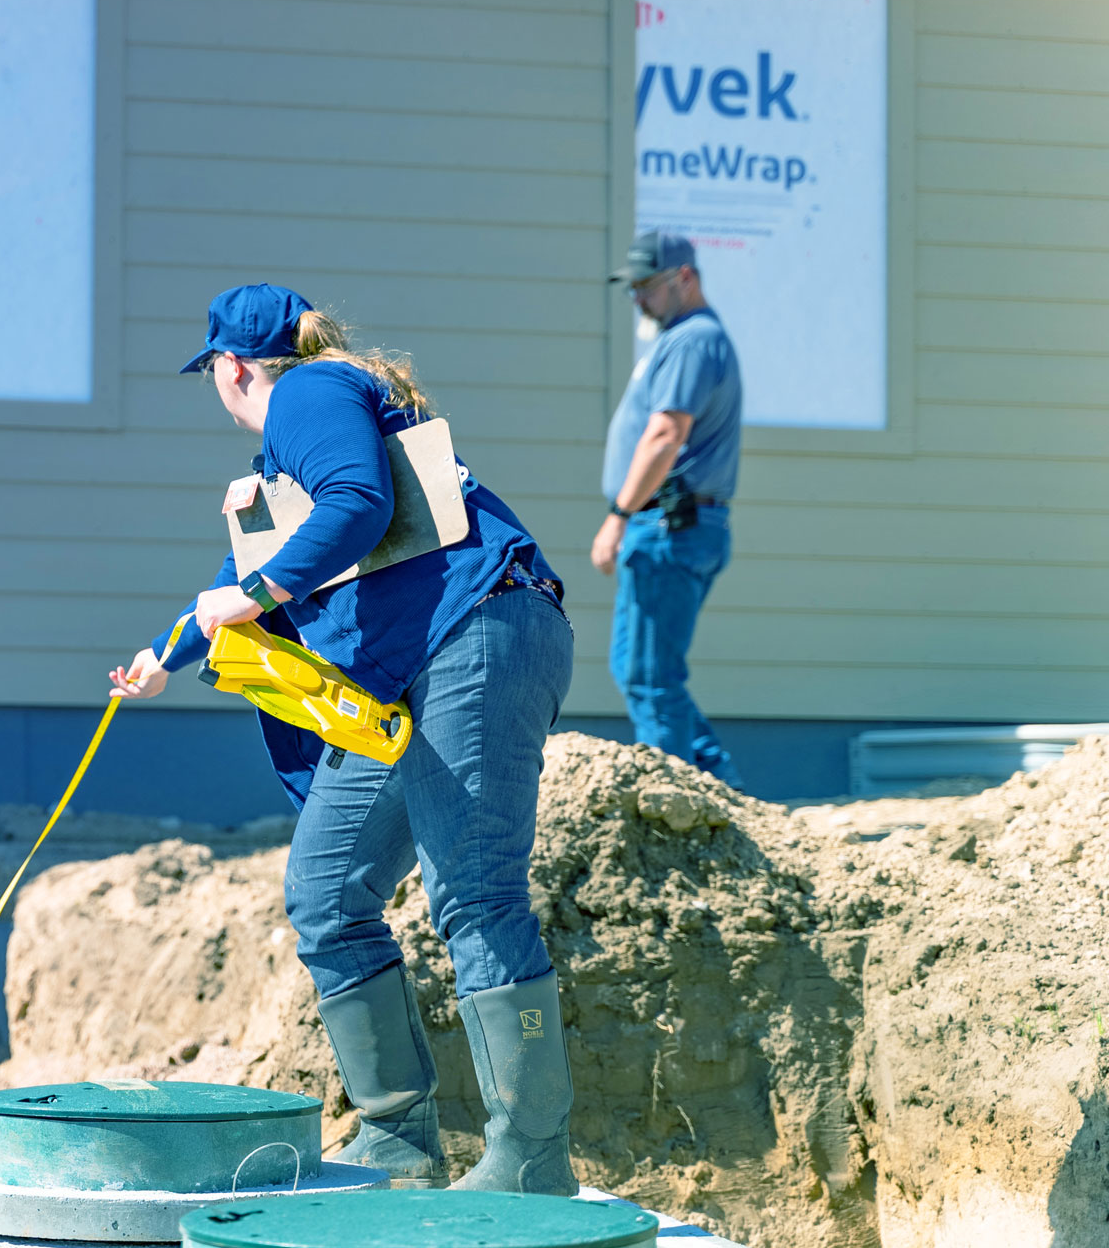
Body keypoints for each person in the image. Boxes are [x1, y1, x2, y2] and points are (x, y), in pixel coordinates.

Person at [109, 284, 579, 1192]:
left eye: (212, 372)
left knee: (474, 893)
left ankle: (530, 1160)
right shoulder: (299, 439)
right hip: (414, 670)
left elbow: (357, 503)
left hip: (478, 633)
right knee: (326, 890)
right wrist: (166, 656)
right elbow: (242, 575)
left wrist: (255, 596)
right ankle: (398, 1139)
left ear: (230, 367)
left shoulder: (311, 393)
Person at [595, 230, 744, 788]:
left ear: (684, 278)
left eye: (647, 287)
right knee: (639, 671)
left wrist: (618, 513)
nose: (637, 299)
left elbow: (663, 435)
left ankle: (675, 810)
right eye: (631, 288)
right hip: (668, 524)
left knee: (650, 675)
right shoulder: (686, 338)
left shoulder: (693, 340)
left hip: (667, 526)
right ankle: (720, 788)